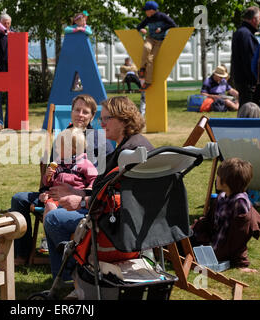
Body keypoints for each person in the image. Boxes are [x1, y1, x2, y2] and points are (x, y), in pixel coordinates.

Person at [43, 96, 154, 284]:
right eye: (101, 119)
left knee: (53, 218)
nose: (101, 124)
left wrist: (83, 201)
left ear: (123, 119)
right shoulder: (137, 144)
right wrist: (79, 193)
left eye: (106, 119)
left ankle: (70, 276)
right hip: (129, 217)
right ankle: (77, 267)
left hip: (114, 222)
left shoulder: (129, 153)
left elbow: (122, 197)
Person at [10, 94, 114, 265]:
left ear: (92, 117)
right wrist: (44, 191)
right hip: (54, 192)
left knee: (52, 210)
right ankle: (23, 253)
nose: (80, 114)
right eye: (77, 110)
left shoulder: (100, 142)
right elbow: (54, 167)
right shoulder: (63, 137)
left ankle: (59, 250)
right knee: (19, 199)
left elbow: (102, 179)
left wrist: (79, 193)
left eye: (85, 112)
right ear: (71, 112)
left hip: (81, 197)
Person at [191, 158, 260, 272]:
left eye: (218, 176)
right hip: (208, 243)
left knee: (181, 251)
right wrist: (192, 229)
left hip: (218, 253)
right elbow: (208, 221)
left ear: (226, 181)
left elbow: (240, 237)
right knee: (178, 239)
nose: (216, 179)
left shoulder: (240, 203)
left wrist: (241, 263)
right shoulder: (222, 197)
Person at [39, 128, 98, 220]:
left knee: (55, 210)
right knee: (50, 206)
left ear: (71, 149)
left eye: (59, 146)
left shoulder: (84, 163)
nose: (56, 149)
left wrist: (88, 190)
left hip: (74, 199)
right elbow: (48, 184)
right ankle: (50, 232)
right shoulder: (57, 163)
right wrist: (47, 176)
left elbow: (95, 179)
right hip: (56, 198)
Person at [136, 1, 176, 91]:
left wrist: (162, 29)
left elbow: (173, 24)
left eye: (146, 10)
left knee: (150, 59)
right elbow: (139, 26)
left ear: (151, 10)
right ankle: (142, 69)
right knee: (146, 48)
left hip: (159, 41)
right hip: (150, 38)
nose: (145, 12)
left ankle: (148, 82)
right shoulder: (148, 18)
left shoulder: (162, 16)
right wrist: (142, 29)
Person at [231, 6, 260, 107]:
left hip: (240, 80)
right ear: (254, 19)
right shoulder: (246, 35)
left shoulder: (239, 32)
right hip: (248, 83)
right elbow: (250, 61)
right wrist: (255, 81)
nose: (259, 22)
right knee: (249, 111)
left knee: (244, 110)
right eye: (259, 19)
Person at [0, 13, 12, 130]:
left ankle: (8, 122)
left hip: (11, 70)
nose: (6, 25)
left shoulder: (13, 35)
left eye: (8, 23)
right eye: (4, 23)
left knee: (11, 98)